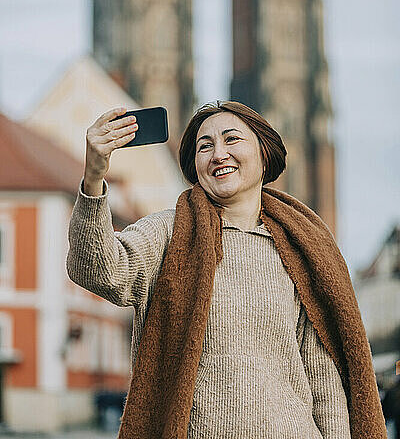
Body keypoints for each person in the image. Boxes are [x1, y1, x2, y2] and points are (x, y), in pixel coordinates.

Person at [67, 100, 386, 439]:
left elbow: (323, 379)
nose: (218, 154)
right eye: (205, 146)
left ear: (264, 153)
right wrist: (93, 178)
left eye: (232, 139)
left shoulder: (300, 245)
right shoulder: (168, 232)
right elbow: (100, 271)